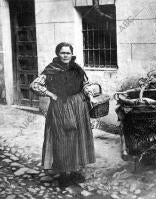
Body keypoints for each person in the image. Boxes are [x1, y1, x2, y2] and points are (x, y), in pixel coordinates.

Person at [30, 42, 96, 188]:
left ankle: (74, 172)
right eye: (62, 53)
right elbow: (35, 85)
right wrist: (50, 94)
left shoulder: (77, 68)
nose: (66, 55)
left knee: (77, 138)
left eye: (68, 53)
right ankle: (63, 175)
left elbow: (85, 84)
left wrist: (90, 95)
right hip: (60, 107)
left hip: (79, 106)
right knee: (62, 139)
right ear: (58, 54)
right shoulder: (51, 69)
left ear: (72, 54)